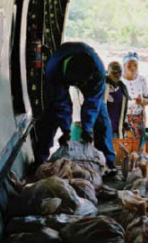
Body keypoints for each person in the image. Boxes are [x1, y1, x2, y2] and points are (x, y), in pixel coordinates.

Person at [33, 42, 116, 170]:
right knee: (51, 114)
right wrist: (66, 130)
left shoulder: (98, 72)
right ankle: (40, 159)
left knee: (101, 116)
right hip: (60, 73)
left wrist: (87, 129)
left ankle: (109, 163)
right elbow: (61, 101)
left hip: (89, 77)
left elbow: (92, 103)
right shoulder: (53, 68)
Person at [121, 52, 148, 139]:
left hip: (138, 119)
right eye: (129, 65)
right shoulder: (119, 80)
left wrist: (141, 101)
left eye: (135, 65)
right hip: (122, 119)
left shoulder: (142, 79)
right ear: (124, 65)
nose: (133, 67)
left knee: (137, 146)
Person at [105, 61, 130, 139]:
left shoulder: (122, 88)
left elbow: (124, 109)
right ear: (107, 72)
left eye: (119, 72)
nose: (117, 75)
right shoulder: (101, 86)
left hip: (116, 131)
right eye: (113, 72)